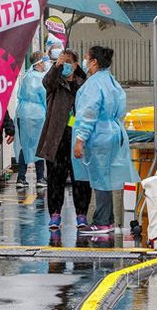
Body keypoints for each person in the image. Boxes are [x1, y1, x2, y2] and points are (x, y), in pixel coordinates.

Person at [72, 46, 140, 235]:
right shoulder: (111, 81)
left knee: (101, 178)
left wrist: (80, 139)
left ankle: (102, 221)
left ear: (94, 62)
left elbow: (88, 113)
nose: (85, 61)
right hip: (112, 132)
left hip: (98, 136)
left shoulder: (94, 85)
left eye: (87, 58)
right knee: (106, 177)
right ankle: (107, 220)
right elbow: (119, 108)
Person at [36, 49, 92, 230]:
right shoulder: (55, 82)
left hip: (77, 137)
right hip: (55, 138)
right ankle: (55, 214)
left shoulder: (83, 85)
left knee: (80, 179)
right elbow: (46, 82)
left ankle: (81, 214)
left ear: (76, 65)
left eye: (69, 62)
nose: (65, 65)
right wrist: (56, 66)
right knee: (55, 178)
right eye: (62, 61)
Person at [14, 51, 49, 188]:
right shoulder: (41, 79)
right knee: (38, 145)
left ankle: (21, 178)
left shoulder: (27, 76)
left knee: (26, 145)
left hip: (22, 113)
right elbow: (45, 98)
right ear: (39, 63)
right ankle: (40, 178)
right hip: (38, 114)